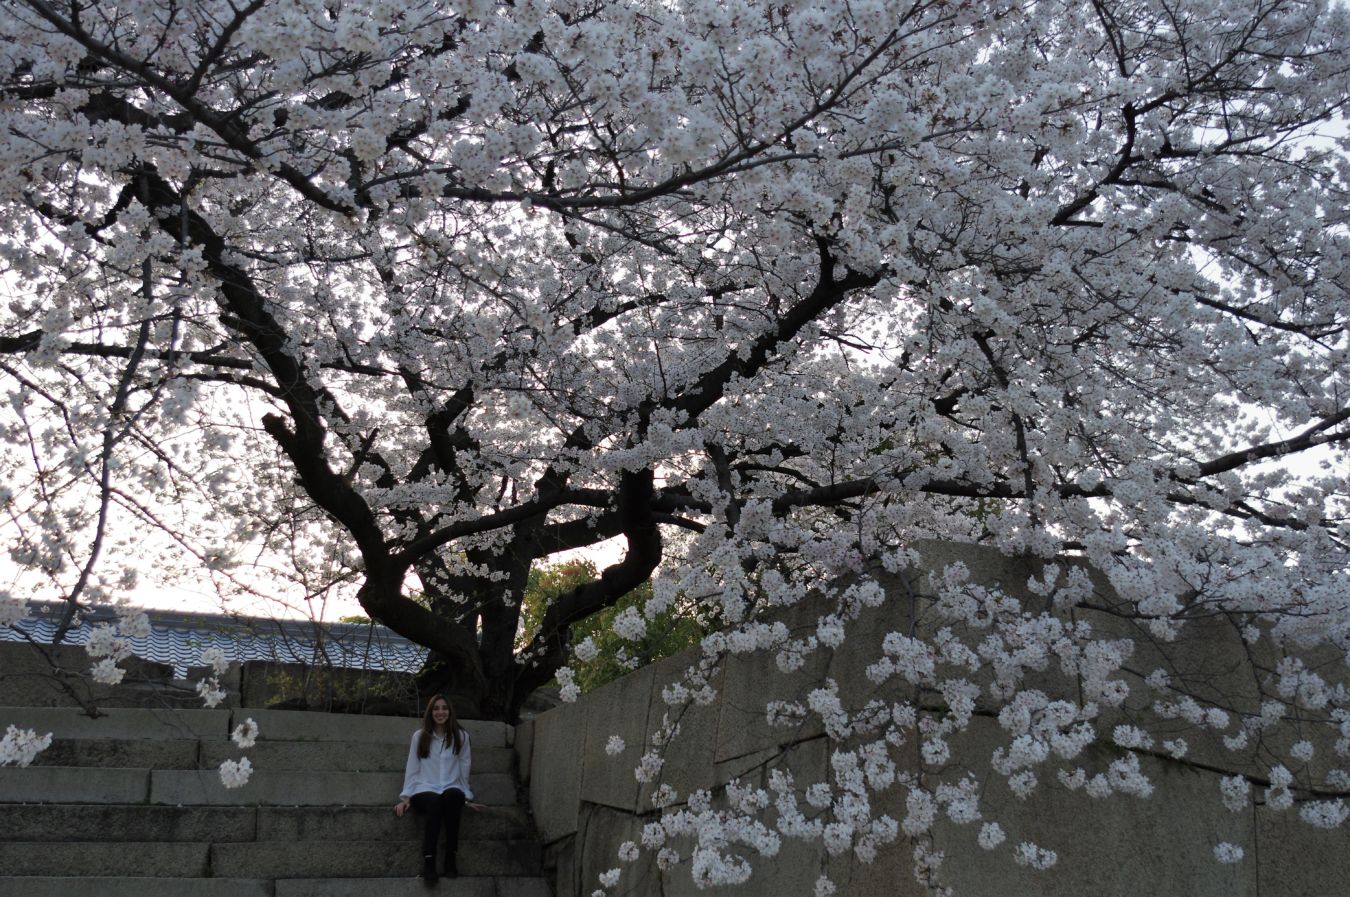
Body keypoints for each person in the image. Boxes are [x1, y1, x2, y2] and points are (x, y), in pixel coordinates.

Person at [394, 694, 480, 884]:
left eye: (444, 708)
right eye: (436, 708)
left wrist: (466, 797)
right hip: (424, 789)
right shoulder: (420, 736)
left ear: (450, 712)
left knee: (453, 796)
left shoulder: (461, 736)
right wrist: (406, 797)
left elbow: (464, 767)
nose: (440, 712)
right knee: (435, 802)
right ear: (430, 712)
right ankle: (429, 860)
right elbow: (412, 766)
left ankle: (451, 855)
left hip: (450, 787)